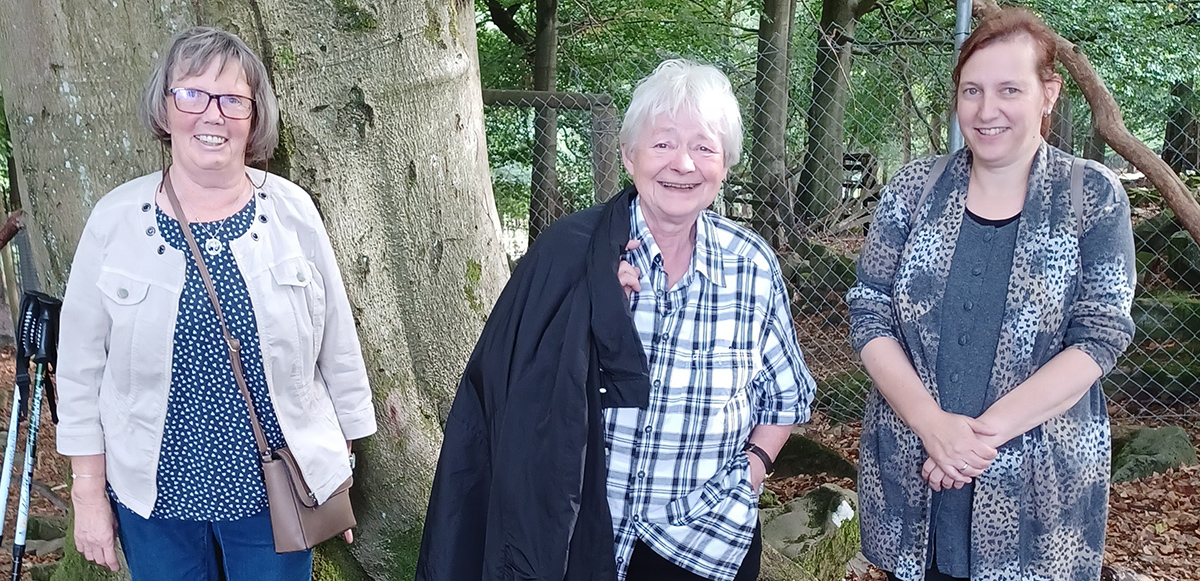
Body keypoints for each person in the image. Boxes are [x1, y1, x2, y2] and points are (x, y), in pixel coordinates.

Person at [417, 59, 815, 581]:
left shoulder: (752, 265)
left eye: (704, 146)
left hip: (702, 539)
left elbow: (785, 395)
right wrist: (589, 310)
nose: (683, 164)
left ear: (725, 164)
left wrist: (755, 469)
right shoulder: (573, 253)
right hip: (575, 539)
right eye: (663, 143)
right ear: (629, 157)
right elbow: (508, 396)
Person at [56, 27, 376, 579]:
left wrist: (335, 473)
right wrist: (88, 496)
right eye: (192, 94)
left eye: (233, 99)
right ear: (165, 106)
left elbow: (337, 348)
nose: (212, 114)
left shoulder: (293, 213)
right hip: (152, 496)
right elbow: (81, 372)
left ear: (254, 117)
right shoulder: (114, 221)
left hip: (273, 490)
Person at [848, 8, 1135, 581]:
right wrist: (932, 425)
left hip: (1037, 500)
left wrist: (977, 440)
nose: (986, 110)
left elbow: (1101, 335)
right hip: (916, 481)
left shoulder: (1092, 196)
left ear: (1048, 93)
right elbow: (870, 309)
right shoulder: (914, 188)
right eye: (972, 90)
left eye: (1010, 89)